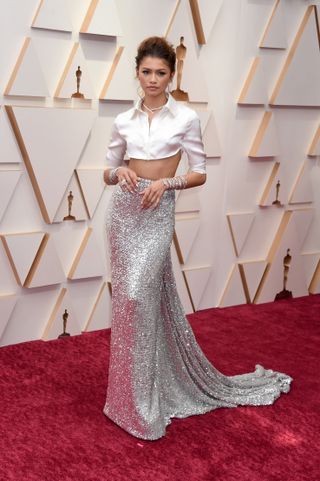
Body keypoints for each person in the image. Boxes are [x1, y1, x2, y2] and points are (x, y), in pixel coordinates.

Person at [102, 36, 293, 441]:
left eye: (161, 73)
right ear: (136, 72)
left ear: (172, 75)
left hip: (156, 215)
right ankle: (123, 401)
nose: (153, 80)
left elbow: (200, 171)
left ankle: (144, 403)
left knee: (139, 298)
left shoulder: (186, 117)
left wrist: (168, 182)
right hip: (123, 214)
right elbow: (108, 168)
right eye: (146, 72)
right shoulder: (123, 120)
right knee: (128, 304)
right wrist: (119, 173)